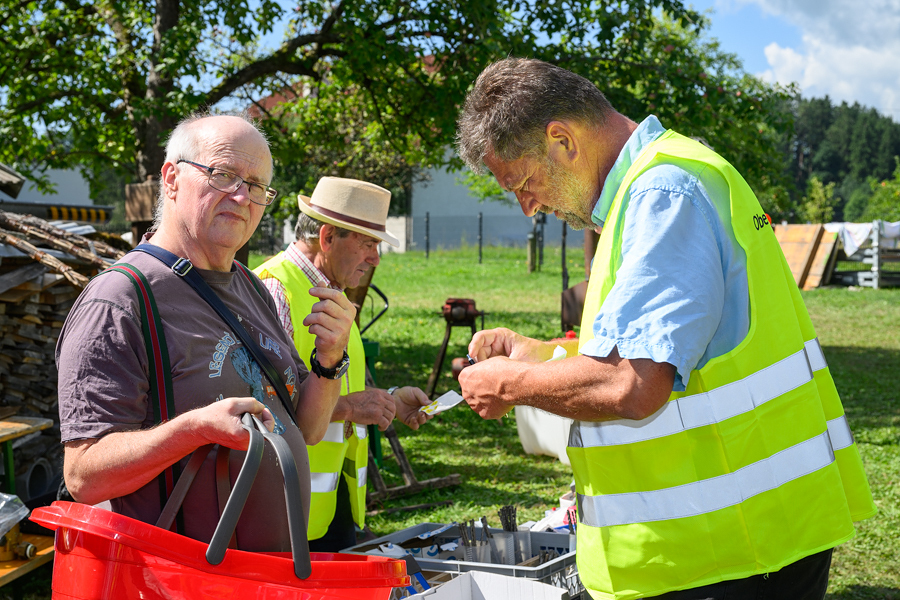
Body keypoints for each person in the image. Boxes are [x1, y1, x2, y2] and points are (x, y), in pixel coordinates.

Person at [455, 58, 876, 600]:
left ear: (562, 139)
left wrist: (508, 384)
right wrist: (540, 356)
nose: (527, 206)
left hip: (729, 555)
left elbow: (633, 383)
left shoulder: (661, 194)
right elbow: (666, 347)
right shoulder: (662, 182)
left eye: (524, 182)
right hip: (740, 541)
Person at [56, 113, 357, 552]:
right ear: (171, 179)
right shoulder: (119, 300)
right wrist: (194, 430)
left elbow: (307, 429)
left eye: (257, 186)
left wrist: (328, 362)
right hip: (178, 577)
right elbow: (83, 476)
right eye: (223, 175)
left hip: (269, 572)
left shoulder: (250, 285)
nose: (242, 196)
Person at [254, 177, 432, 551]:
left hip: (328, 505)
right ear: (327, 237)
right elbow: (265, 409)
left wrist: (389, 401)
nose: (376, 258)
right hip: (286, 511)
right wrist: (351, 408)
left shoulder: (333, 292)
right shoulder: (275, 290)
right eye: (368, 244)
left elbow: (338, 383)